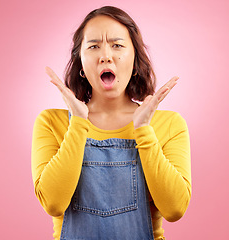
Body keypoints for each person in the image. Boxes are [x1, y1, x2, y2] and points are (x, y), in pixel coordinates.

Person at [31, 6, 191, 240]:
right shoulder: (51, 122)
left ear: (135, 60)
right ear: (81, 64)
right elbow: (53, 204)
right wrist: (77, 123)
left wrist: (144, 129)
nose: (106, 55)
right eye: (94, 46)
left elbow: (175, 209)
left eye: (117, 45)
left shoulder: (168, 124)